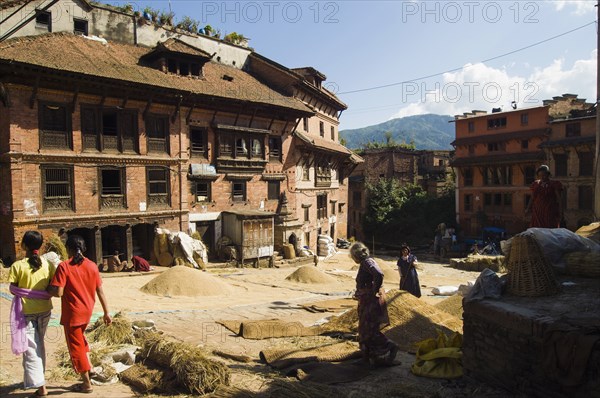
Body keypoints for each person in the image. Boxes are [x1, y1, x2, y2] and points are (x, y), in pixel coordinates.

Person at [48, 235, 111, 394]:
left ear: (67, 249)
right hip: (87, 311)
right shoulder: (92, 266)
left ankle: (86, 384)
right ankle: (89, 370)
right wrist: (106, 312)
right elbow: (100, 291)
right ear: (84, 249)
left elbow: (59, 292)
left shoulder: (64, 266)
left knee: (76, 348)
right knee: (81, 341)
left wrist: (47, 289)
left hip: (73, 314)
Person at [9, 231, 54, 398]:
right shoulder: (48, 265)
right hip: (45, 310)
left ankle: (41, 387)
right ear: (40, 245)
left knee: (31, 349)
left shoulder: (17, 266)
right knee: (39, 344)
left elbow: (13, 289)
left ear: (24, 246)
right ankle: (38, 379)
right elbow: (51, 286)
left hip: (26, 312)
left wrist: (26, 292)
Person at [350, 242, 398, 367]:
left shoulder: (367, 262)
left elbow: (379, 274)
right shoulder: (365, 263)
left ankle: (391, 347)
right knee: (365, 329)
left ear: (356, 255)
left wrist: (374, 290)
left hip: (371, 302)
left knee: (369, 330)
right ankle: (367, 358)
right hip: (366, 301)